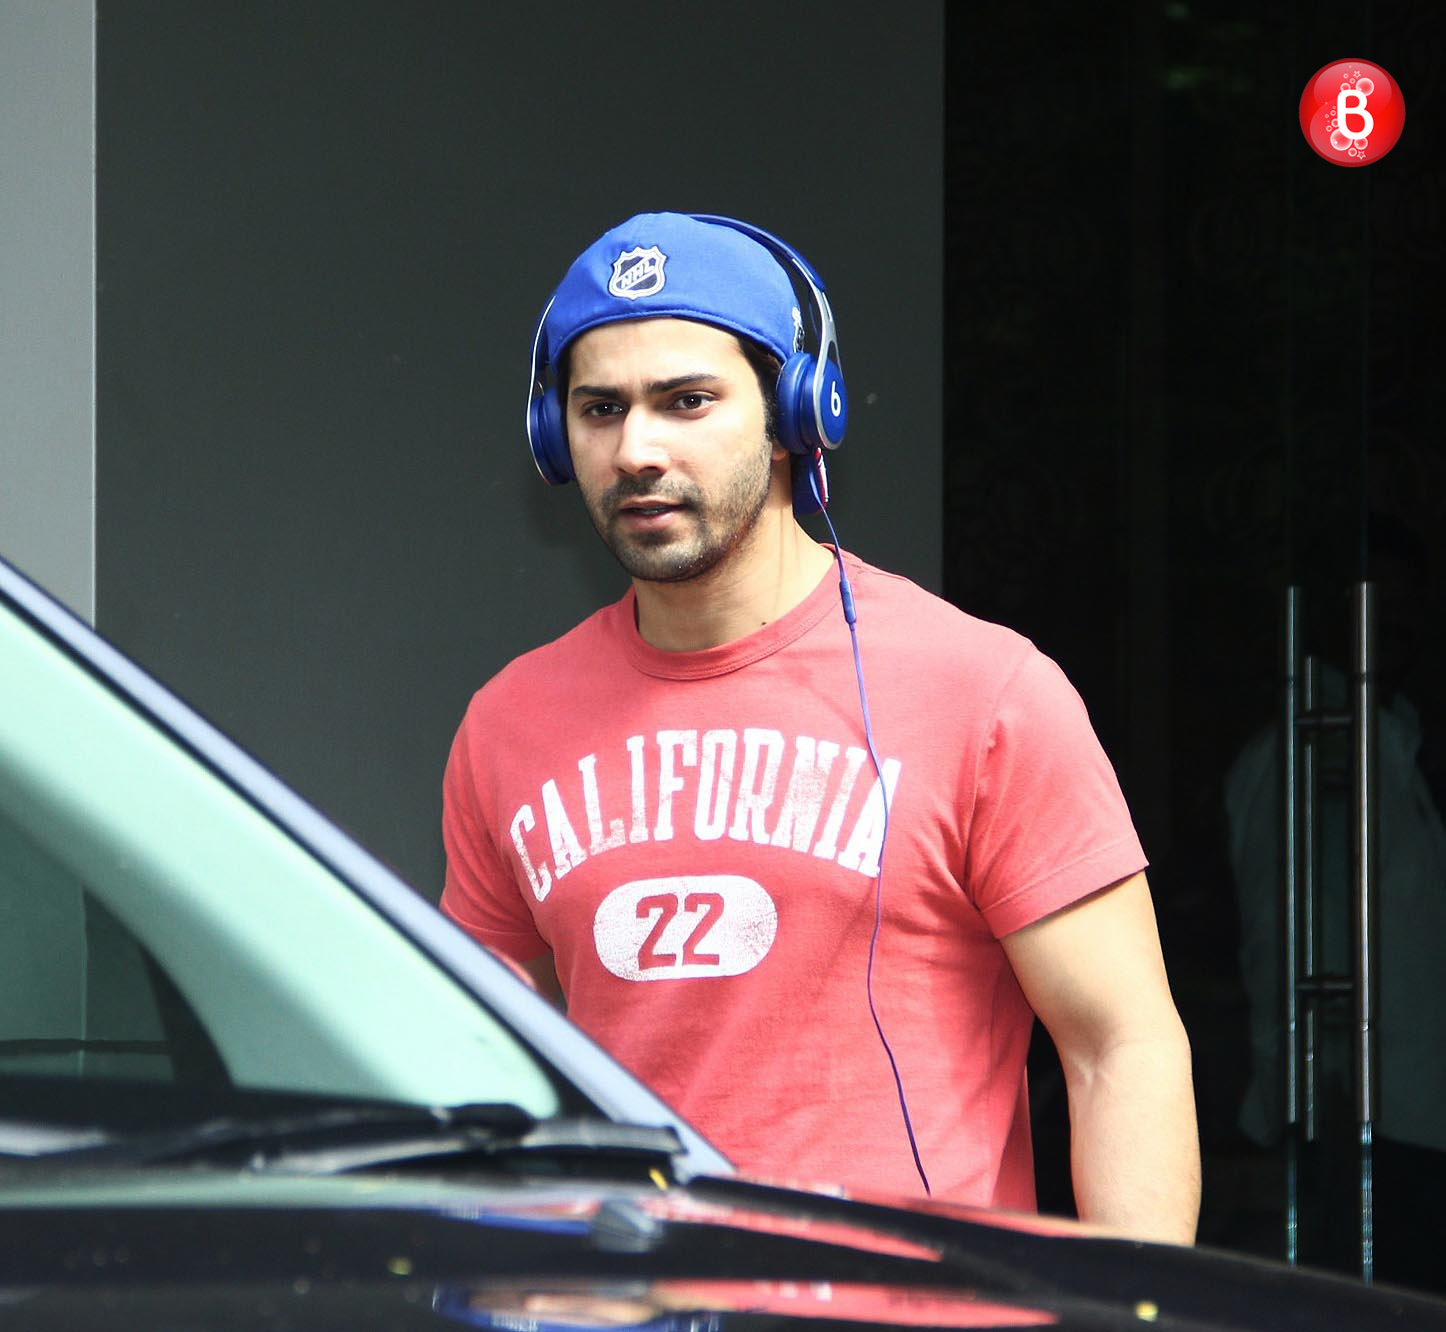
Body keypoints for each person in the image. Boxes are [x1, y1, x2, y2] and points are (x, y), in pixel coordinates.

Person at [441, 212, 1198, 1244]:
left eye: (687, 401)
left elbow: (1121, 1048)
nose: (637, 450)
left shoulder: (984, 693)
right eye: (600, 409)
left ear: (798, 412)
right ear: (553, 436)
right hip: (631, 1303)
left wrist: (1138, 1309)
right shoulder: (507, 723)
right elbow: (479, 1066)